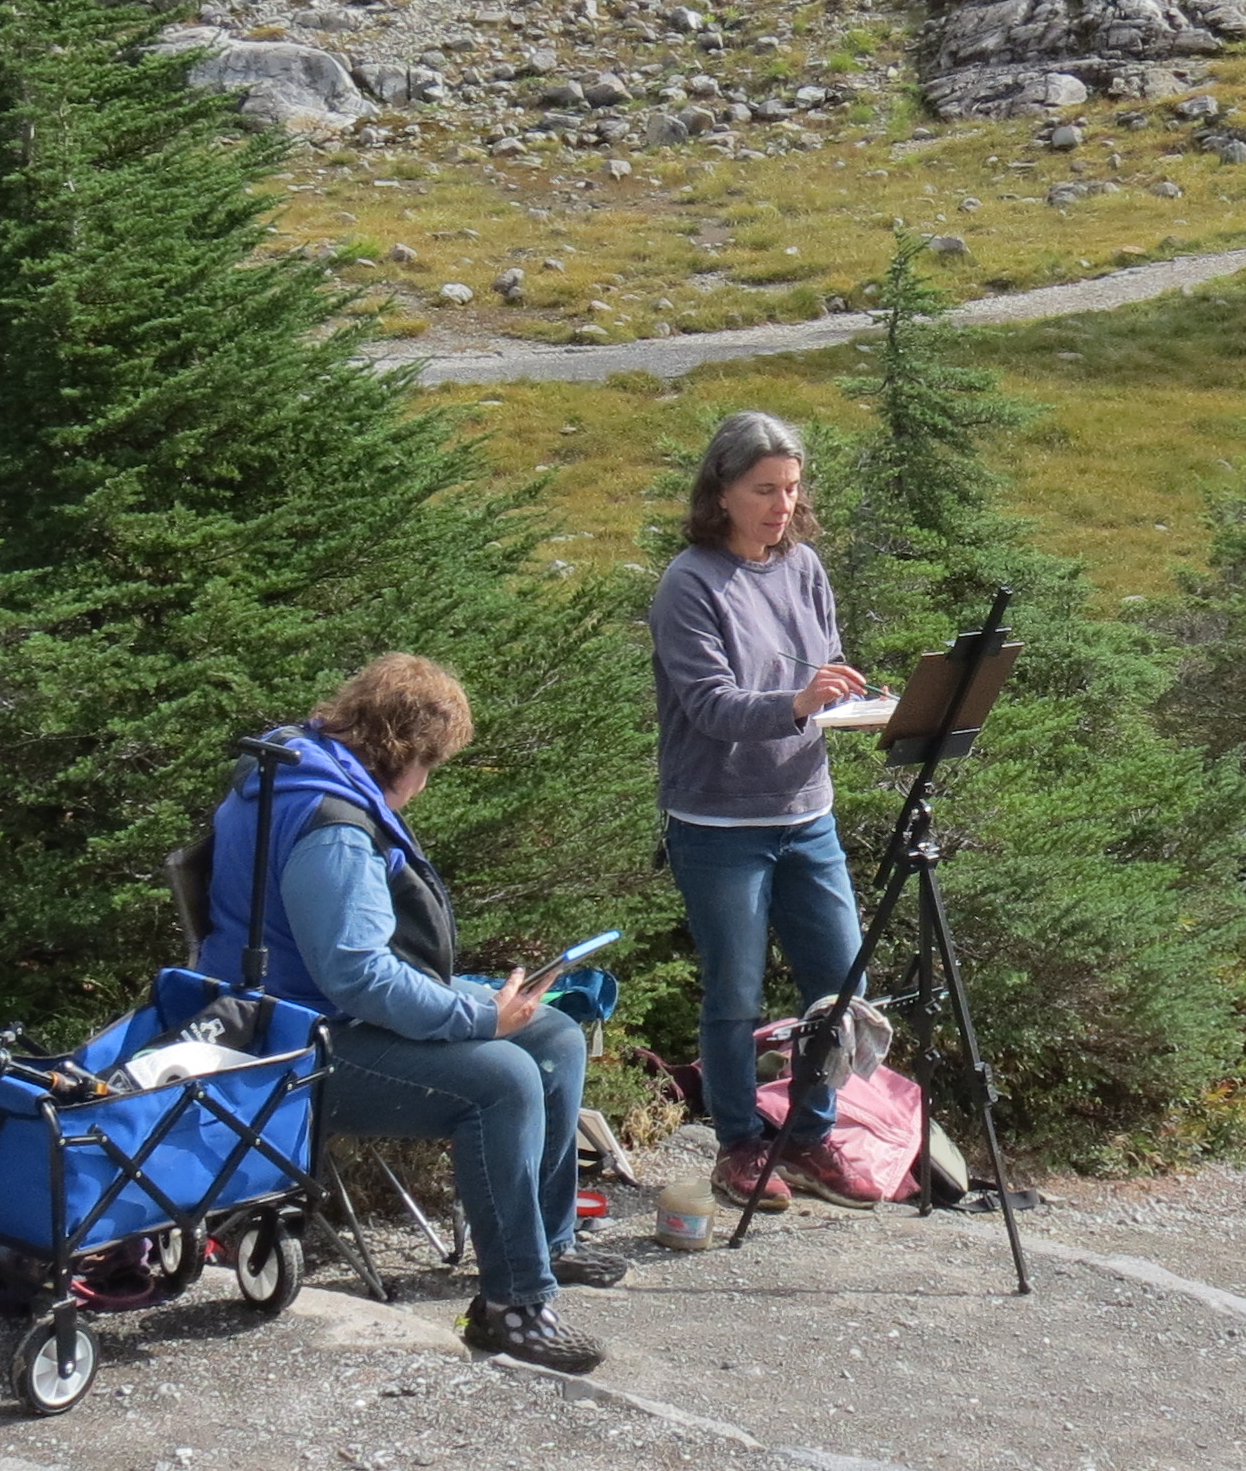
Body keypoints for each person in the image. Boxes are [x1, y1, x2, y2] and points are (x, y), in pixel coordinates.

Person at [202, 654, 612, 1374]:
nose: (427, 784)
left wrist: (486, 1007)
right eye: (432, 766)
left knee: (552, 1034)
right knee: (504, 1077)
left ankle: (545, 1247)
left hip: (309, 1013)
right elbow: (358, 976)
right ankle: (512, 1307)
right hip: (293, 1049)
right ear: (408, 756)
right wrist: (479, 1019)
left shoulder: (301, 764)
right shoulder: (334, 826)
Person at [651, 409, 878, 1213]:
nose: (782, 505)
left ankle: (812, 1137)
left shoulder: (805, 566)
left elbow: (820, 671)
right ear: (720, 493)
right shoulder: (688, 582)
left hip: (806, 809)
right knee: (735, 992)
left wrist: (849, 700)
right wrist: (798, 700)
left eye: (791, 488)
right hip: (718, 822)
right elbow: (711, 707)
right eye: (764, 490)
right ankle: (741, 1145)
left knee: (840, 981)